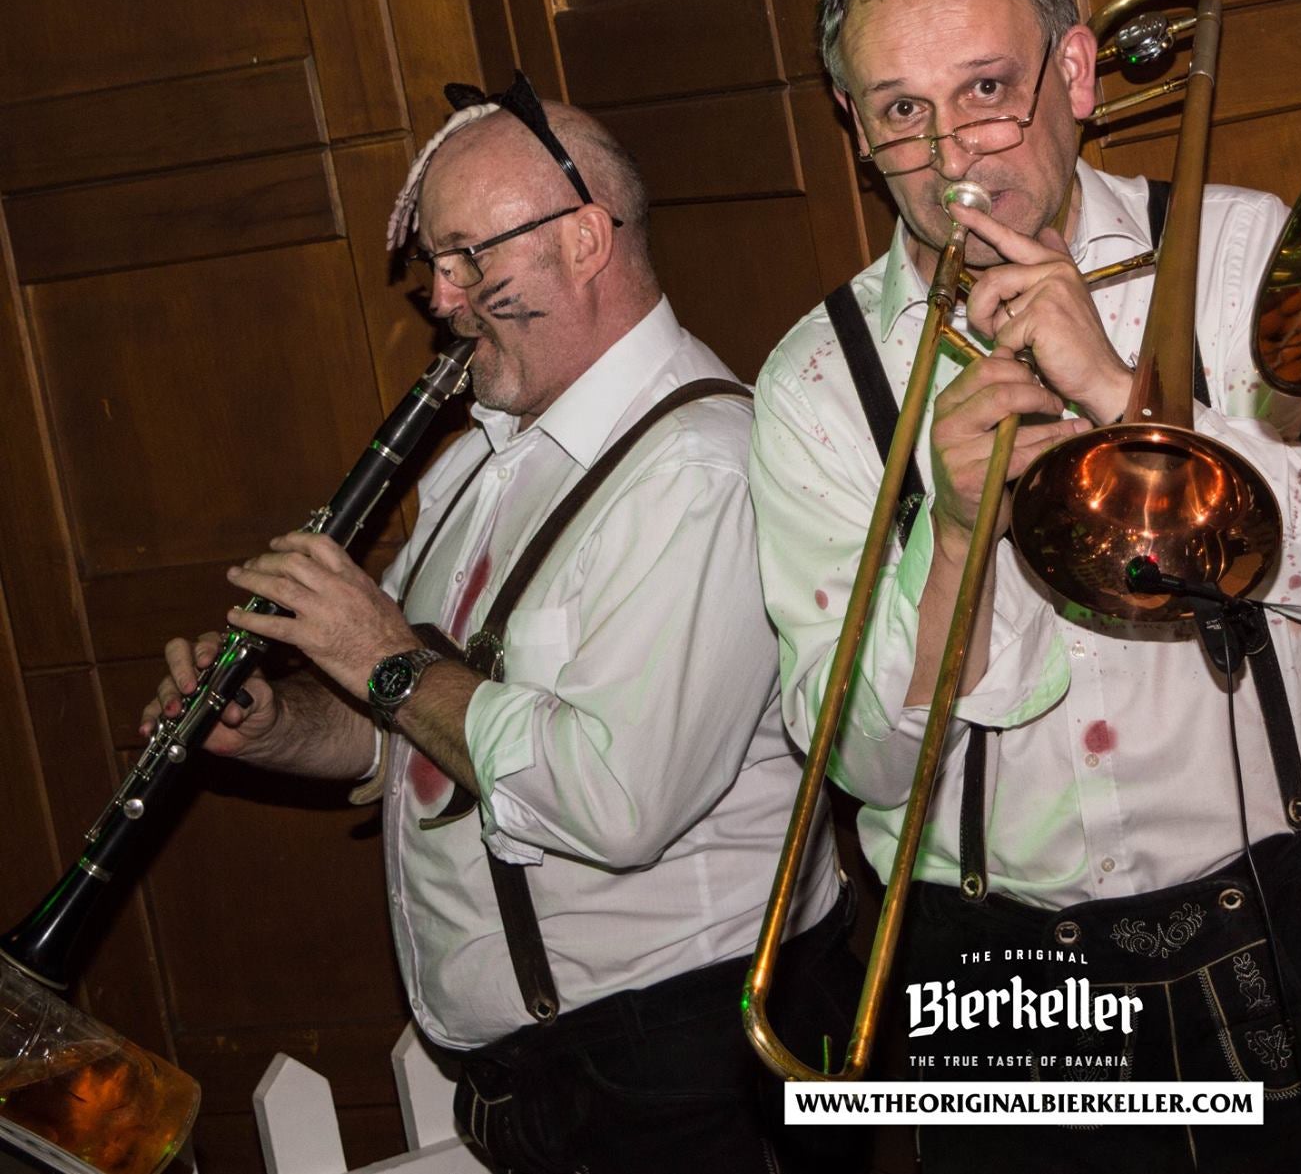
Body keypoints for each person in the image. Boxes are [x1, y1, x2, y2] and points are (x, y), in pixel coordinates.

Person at [750, 0, 1301, 1171]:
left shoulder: (1247, 252)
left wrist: (1115, 392)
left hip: (1286, 924)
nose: (947, 149)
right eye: (898, 109)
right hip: (993, 976)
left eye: (985, 88)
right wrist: (956, 534)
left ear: (1074, 74)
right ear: (854, 129)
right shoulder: (812, 380)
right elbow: (855, 761)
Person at [142, 77, 852, 1173]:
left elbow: (613, 801)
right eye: (434, 259)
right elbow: (433, 727)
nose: (438, 293)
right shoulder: (487, 452)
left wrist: (375, 651)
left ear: (582, 238)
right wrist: (283, 723)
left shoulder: (700, 469)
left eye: (470, 254)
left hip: (684, 1075)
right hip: (552, 1086)